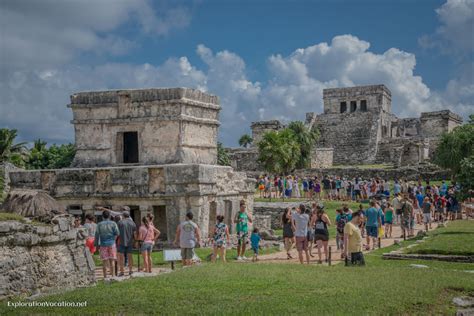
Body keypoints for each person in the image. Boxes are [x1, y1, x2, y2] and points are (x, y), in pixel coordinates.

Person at [94, 210, 120, 279]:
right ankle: (113, 276)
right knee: (112, 260)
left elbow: (96, 235)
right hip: (112, 243)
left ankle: (105, 277)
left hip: (103, 244)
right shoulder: (113, 223)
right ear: (109, 216)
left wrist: (96, 246)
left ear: (102, 216)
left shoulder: (99, 224)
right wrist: (114, 240)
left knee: (104, 261)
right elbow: (117, 233)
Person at [117, 211, 138, 276]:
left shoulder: (120, 222)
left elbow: (117, 233)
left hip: (121, 241)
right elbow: (135, 234)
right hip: (130, 242)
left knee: (121, 257)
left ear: (123, 216)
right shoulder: (132, 223)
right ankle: (130, 270)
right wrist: (136, 241)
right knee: (130, 256)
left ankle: (122, 271)